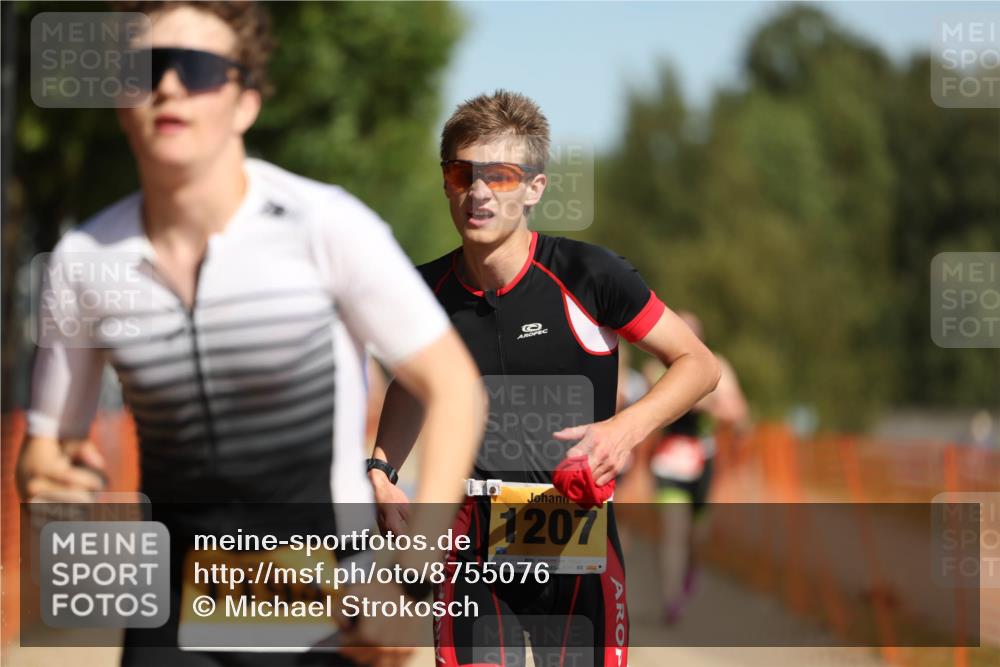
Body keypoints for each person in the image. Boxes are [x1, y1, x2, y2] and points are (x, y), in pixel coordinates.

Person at [15, 2, 485, 666]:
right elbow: (43, 452)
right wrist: (44, 483)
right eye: (145, 69)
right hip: (177, 608)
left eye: (198, 69)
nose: (169, 86)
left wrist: (406, 574)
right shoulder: (84, 260)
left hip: (328, 598)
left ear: (246, 103)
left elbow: (456, 389)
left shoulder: (323, 225)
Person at [367, 90, 720, 667]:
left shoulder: (589, 274)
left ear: (534, 187)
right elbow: (411, 381)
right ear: (447, 182)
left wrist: (623, 431)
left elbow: (698, 364)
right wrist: (382, 469)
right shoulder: (421, 292)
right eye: (462, 173)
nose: (478, 192)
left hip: (572, 530)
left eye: (501, 177)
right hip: (468, 543)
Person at [642, 310, 749, 624]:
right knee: (673, 532)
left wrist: (708, 402)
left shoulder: (717, 364)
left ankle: (690, 571)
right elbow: (659, 399)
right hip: (669, 462)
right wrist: (705, 395)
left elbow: (738, 411)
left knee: (696, 536)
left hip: (703, 461)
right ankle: (670, 601)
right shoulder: (655, 364)